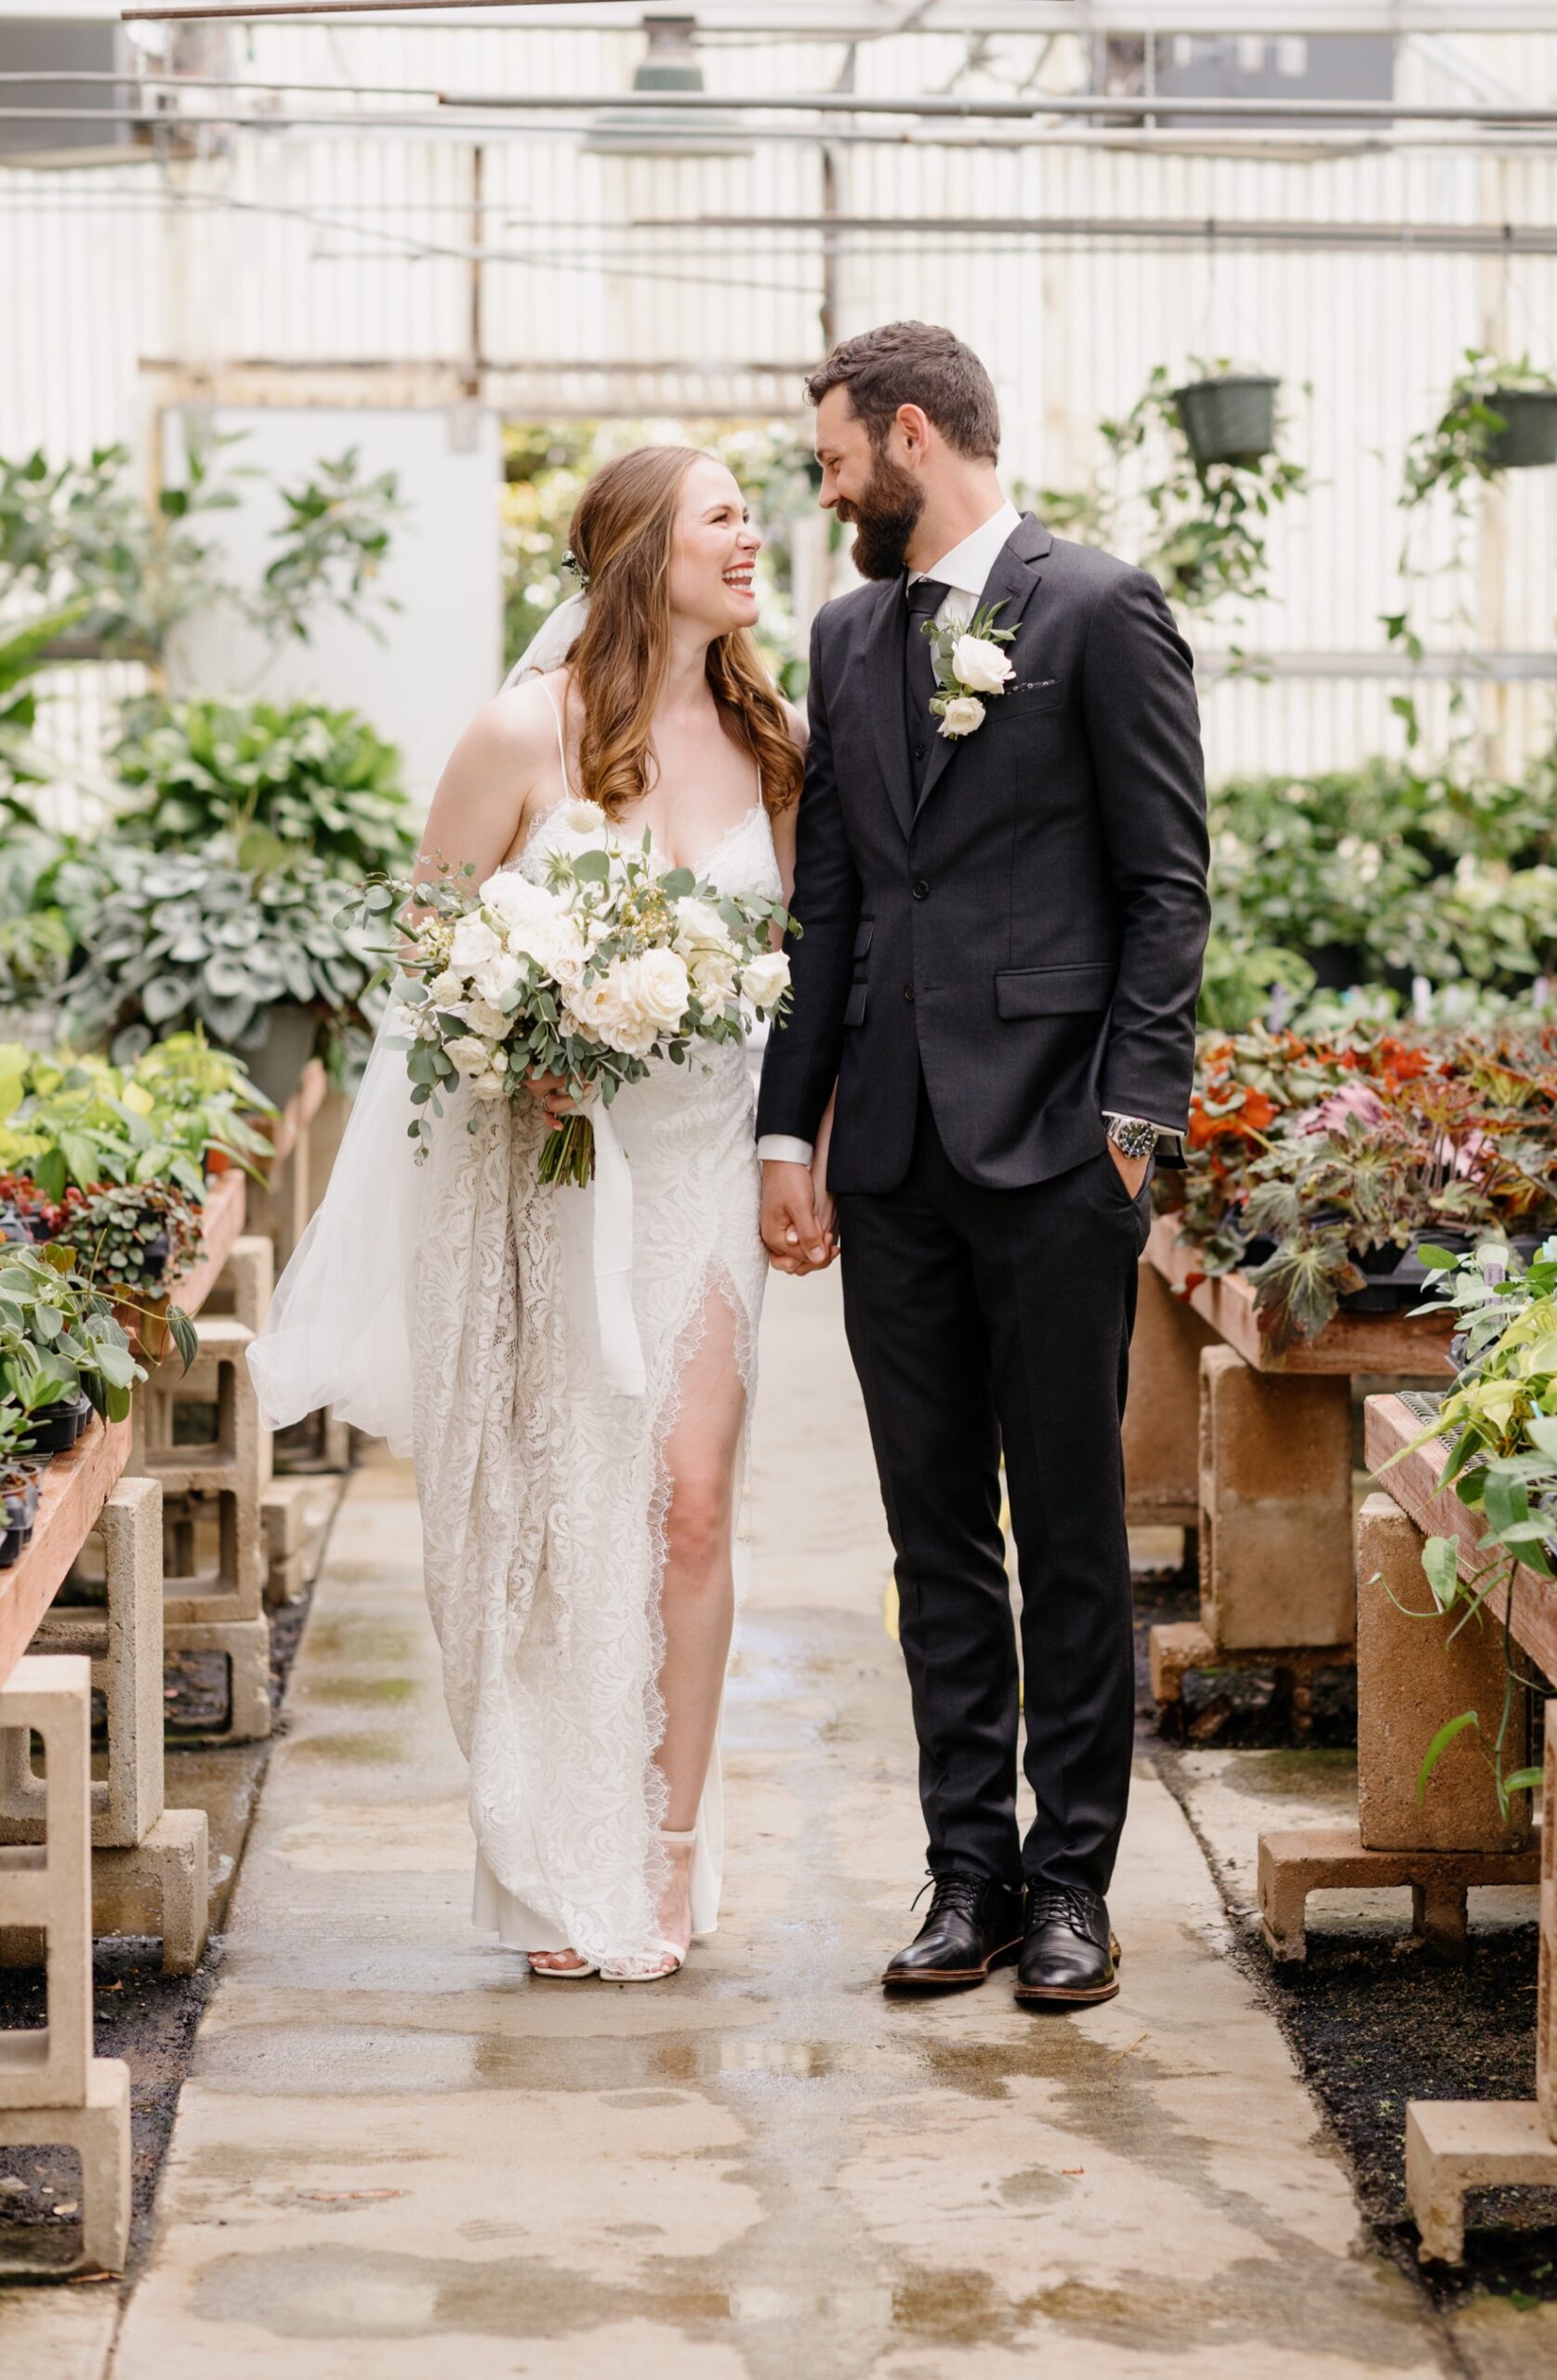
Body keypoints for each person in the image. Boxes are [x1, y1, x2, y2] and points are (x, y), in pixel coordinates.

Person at [250, 444, 811, 1982]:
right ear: (642, 553)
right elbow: (428, 949)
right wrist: (520, 1047)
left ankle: (671, 1843)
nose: (754, 535)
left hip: (697, 1166)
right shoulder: (521, 736)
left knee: (691, 1507)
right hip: (556, 1174)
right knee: (572, 1520)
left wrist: (794, 1145)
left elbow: (813, 972)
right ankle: (563, 1852)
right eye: (722, 517)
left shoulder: (781, 743)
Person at [758, 322, 1209, 2006]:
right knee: (931, 1531)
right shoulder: (844, 635)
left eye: (833, 462)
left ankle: (1073, 1881)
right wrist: (790, 1131)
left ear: (914, 435)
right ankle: (969, 1875)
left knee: (1072, 1524)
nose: (824, 493)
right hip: (889, 1152)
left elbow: (1170, 883)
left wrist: (1132, 1115)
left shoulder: (1099, 609)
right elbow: (836, 909)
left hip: (1056, 1144)